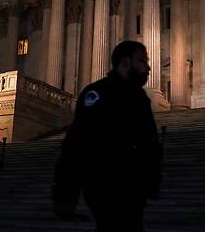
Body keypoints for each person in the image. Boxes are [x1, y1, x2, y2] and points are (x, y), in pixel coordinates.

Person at [52, 41, 162, 231]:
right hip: (103, 183)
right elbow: (75, 145)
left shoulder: (139, 98)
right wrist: (66, 195)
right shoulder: (97, 93)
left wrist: (152, 179)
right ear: (126, 63)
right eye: (142, 61)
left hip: (134, 186)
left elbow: (149, 143)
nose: (148, 67)